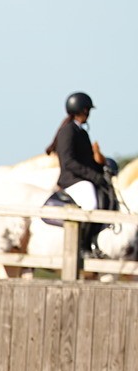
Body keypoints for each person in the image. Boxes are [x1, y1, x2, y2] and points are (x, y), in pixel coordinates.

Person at [45, 92, 113, 257]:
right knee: (91, 204)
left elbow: (87, 160)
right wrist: (93, 176)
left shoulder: (81, 132)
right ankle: (83, 247)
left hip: (82, 178)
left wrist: (102, 170)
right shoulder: (67, 131)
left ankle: (95, 243)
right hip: (72, 180)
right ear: (81, 110)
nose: (88, 114)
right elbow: (69, 162)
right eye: (87, 110)